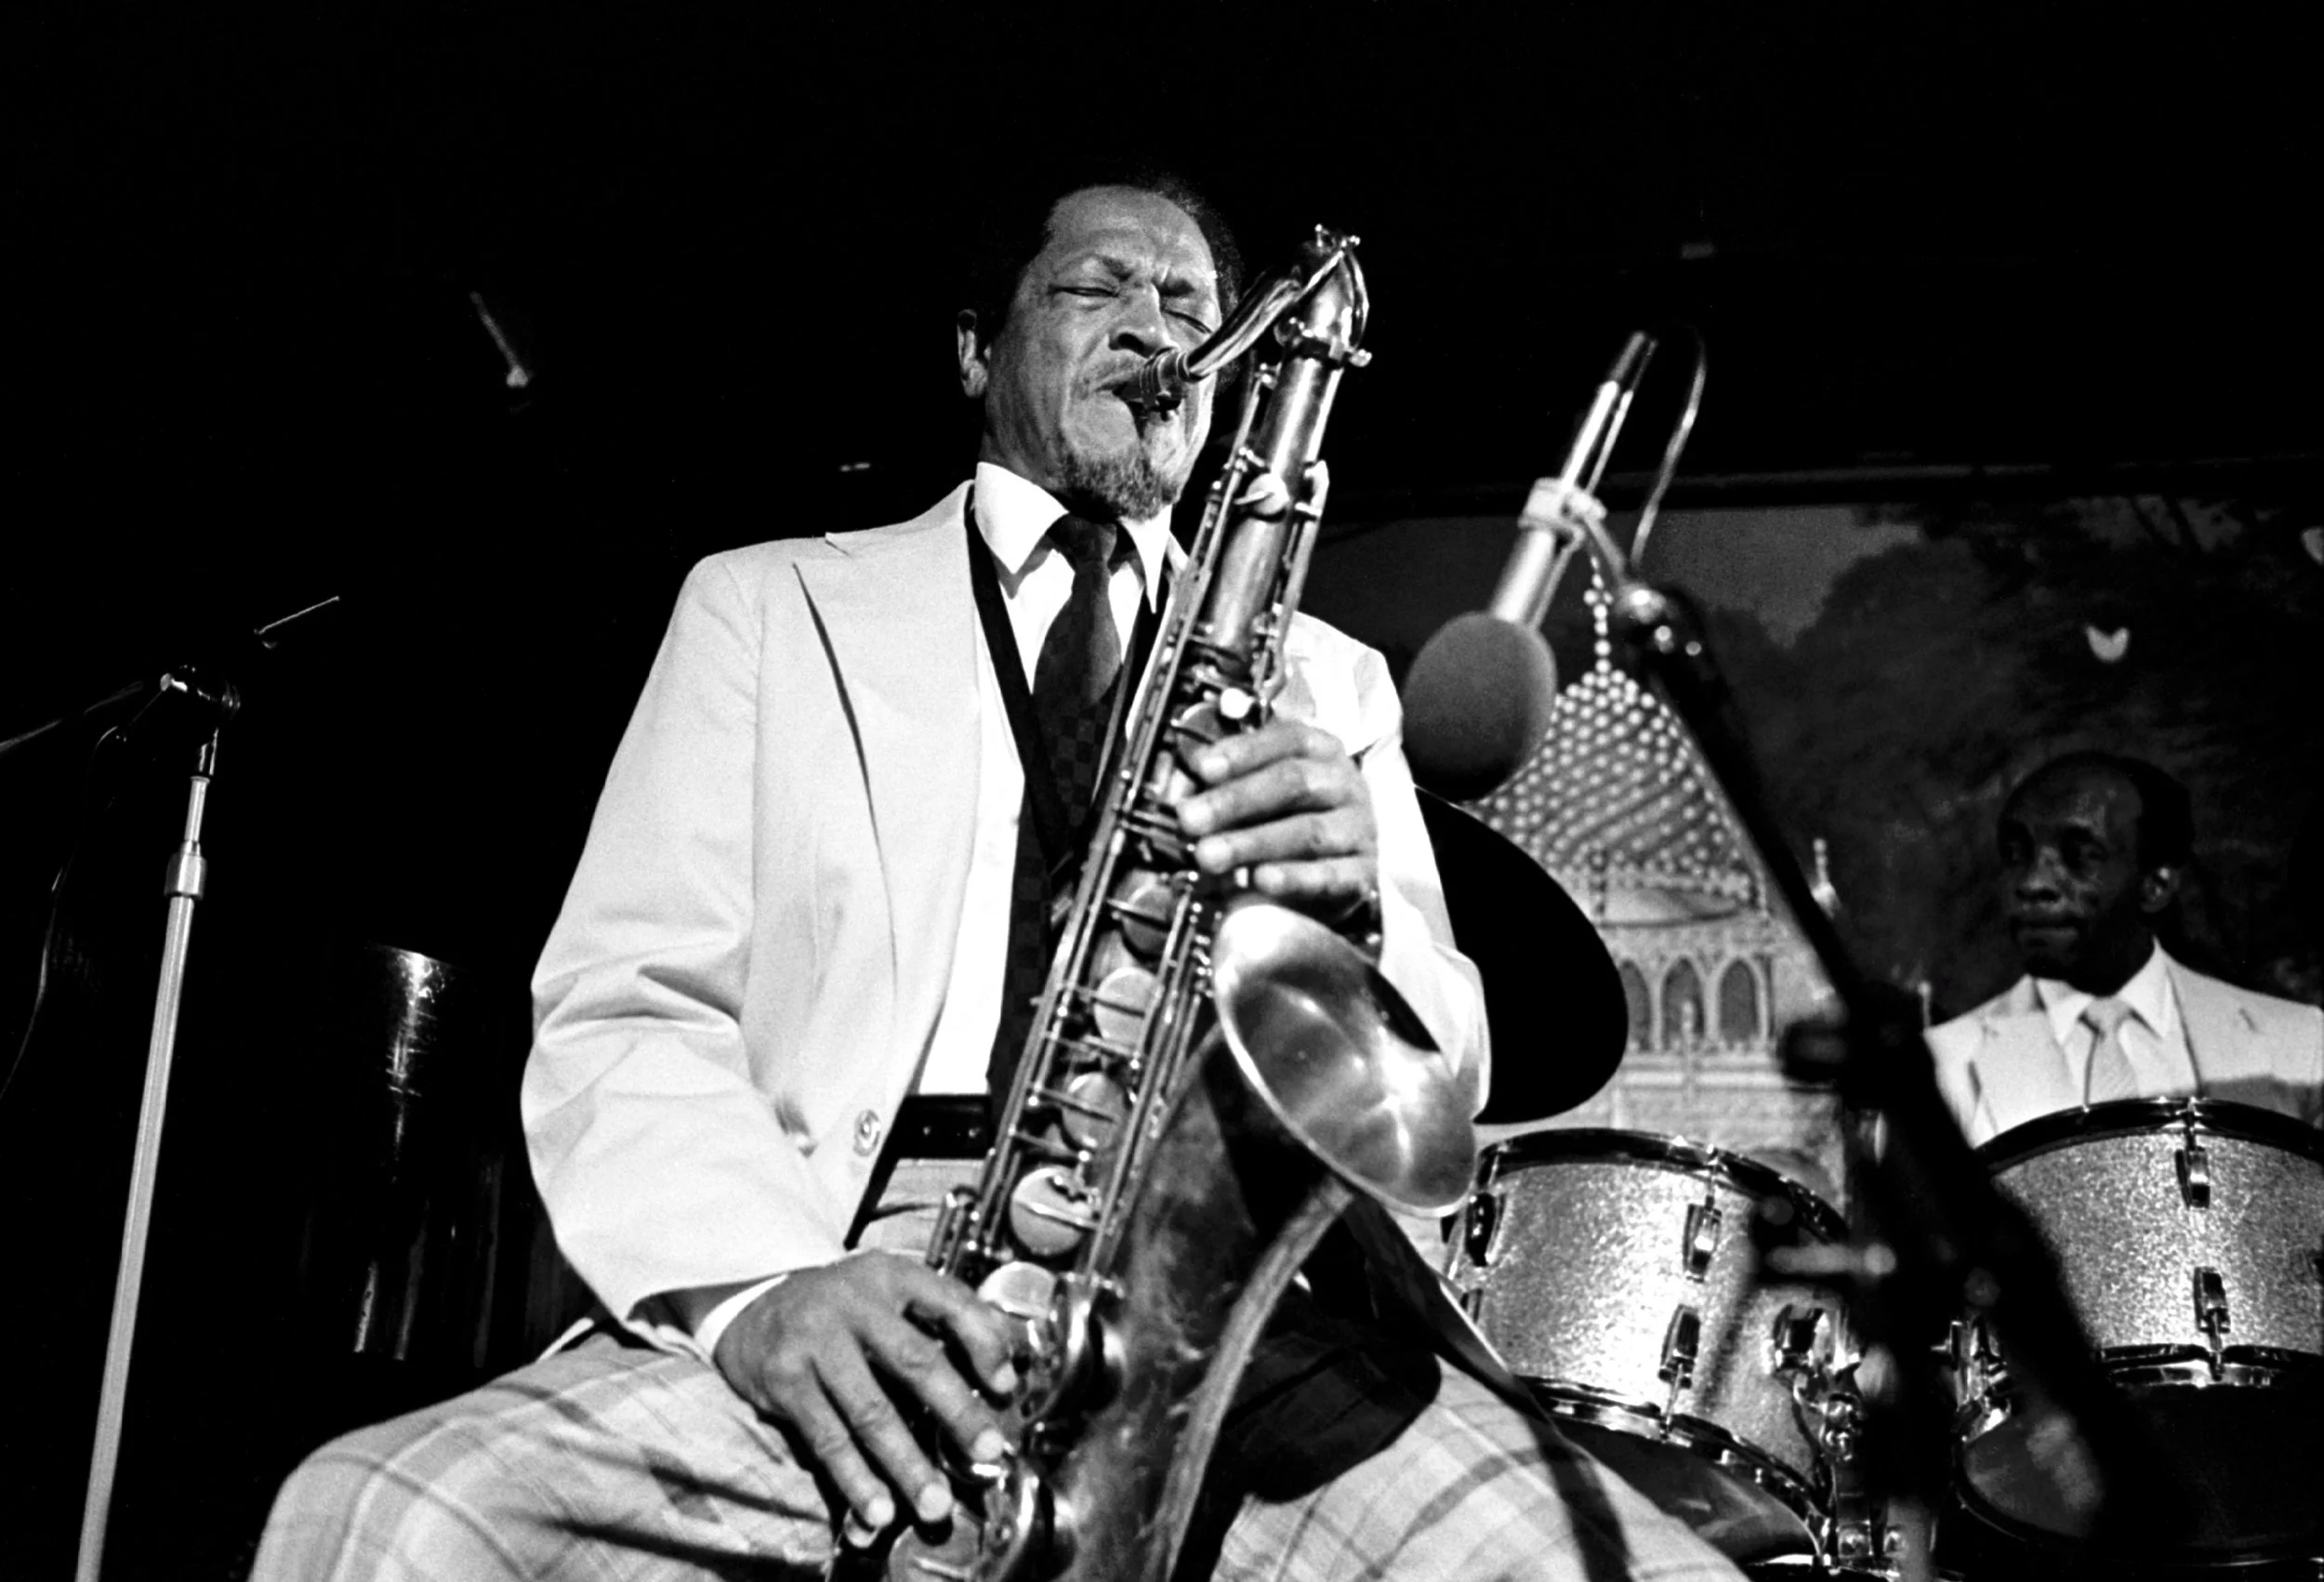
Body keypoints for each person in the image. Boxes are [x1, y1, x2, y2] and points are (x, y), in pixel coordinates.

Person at [251, 168, 1743, 1580]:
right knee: (382, 1509)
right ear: (977, 349)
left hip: (1234, 1328)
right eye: (1100, 288)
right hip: (858, 1265)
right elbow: (628, 1005)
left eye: (1192, 306)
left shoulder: (1326, 679)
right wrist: (761, 1287)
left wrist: (1356, 915)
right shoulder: (769, 605)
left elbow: (1439, 1081)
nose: (1158, 328)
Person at [1928, 749, 2324, 1146]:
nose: (2033, 883)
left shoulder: (2302, 1045)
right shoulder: (1941, 1065)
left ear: (2156, 885)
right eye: (2017, 855)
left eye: (2080, 857)